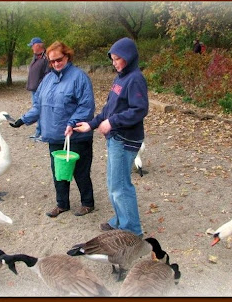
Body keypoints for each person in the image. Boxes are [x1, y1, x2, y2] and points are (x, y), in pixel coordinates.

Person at [10, 41, 96, 218]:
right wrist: (23, 120)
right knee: (59, 172)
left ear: (67, 56)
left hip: (77, 136)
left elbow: (86, 106)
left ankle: (87, 203)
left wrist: (72, 122)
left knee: (80, 171)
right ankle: (62, 204)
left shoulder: (79, 77)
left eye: (59, 59)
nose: (56, 63)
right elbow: (39, 106)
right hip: (55, 136)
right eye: (52, 61)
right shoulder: (47, 80)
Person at [74, 37, 148, 237]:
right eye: (112, 59)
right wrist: (91, 123)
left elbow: (140, 109)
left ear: (129, 57)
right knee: (113, 183)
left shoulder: (135, 78)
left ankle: (132, 230)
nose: (114, 63)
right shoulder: (120, 78)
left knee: (121, 186)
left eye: (118, 59)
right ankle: (120, 220)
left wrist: (112, 123)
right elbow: (109, 108)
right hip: (116, 139)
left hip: (125, 139)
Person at [26, 37, 50, 141]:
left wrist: (41, 87)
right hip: (34, 89)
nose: (31, 47)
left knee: (40, 111)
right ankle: (38, 132)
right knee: (37, 110)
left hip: (40, 89)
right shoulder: (36, 57)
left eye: (32, 45)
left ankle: (42, 133)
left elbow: (47, 74)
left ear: (38, 45)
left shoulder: (45, 58)